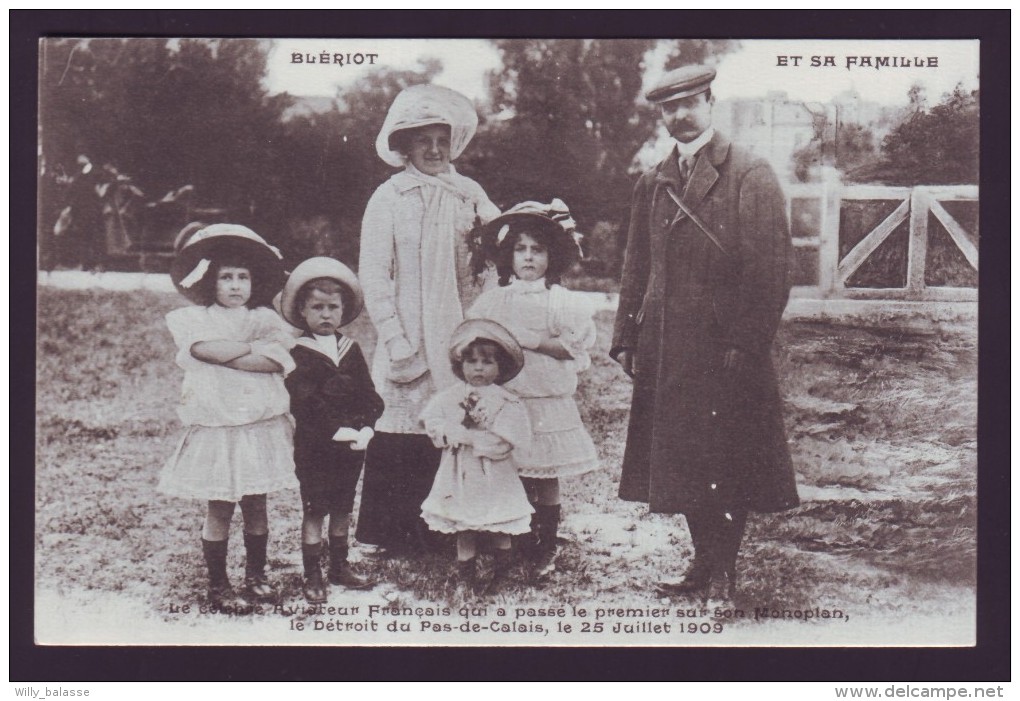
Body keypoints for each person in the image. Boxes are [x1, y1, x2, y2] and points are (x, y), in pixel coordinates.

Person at [611, 65, 799, 602]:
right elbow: (636, 264)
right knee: (684, 459)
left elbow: (771, 267)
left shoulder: (748, 171)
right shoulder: (655, 180)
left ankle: (723, 566)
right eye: (669, 108)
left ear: (710, 102)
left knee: (728, 458)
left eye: (690, 103)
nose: (680, 115)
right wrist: (627, 335)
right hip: (669, 349)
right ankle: (703, 562)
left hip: (726, 349)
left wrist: (746, 341)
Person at [356, 84, 501, 555]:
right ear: (405, 146)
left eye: (442, 139)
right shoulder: (390, 196)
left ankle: (450, 527)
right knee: (401, 425)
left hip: (458, 325)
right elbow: (375, 273)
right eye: (424, 140)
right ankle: (390, 533)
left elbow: (499, 245)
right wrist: (394, 335)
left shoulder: (469, 193)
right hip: (411, 327)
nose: (434, 149)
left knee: (457, 417)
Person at [159, 223, 297, 608]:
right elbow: (203, 350)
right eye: (226, 278)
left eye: (243, 277)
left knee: (257, 502)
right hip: (219, 427)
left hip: (258, 426)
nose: (235, 285)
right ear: (210, 281)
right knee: (220, 503)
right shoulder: (195, 320)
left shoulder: (267, 321)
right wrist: (249, 351)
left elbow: (275, 361)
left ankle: (256, 576)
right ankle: (218, 585)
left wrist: (241, 352)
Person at [467, 200, 599, 576]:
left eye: (537, 250)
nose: (528, 258)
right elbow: (476, 341)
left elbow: (572, 348)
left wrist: (533, 340)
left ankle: (547, 539)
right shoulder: (495, 300)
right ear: (508, 255)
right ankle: (515, 533)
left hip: (545, 399)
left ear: (551, 257)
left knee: (545, 470)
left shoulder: (561, 301)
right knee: (512, 466)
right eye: (520, 250)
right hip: (508, 400)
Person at [279, 257, 385, 604]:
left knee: (343, 505)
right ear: (303, 311)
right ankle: (313, 574)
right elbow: (304, 401)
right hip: (316, 445)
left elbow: (368, 393)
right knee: (316, 507)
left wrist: (368, 425)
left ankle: (340, 565)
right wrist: (335, 429)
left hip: (353, 444)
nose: (326, 314)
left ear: (344, 311)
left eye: (333, 307)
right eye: (317, 307)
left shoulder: (350, 349)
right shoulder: (298, 352)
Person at [419, 319, 533, 594]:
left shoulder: (507, 401)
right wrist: (449, 431)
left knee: (500, 522)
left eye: (487, 362)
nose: (478, 368)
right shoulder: (450, 397)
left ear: (500, 366)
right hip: (460, 471)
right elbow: (430, 419)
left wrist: (478, 437)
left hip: (494, 473)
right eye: (471, 362)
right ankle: (465, 577)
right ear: (461, 366)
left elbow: (509, 439)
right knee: (464, 524)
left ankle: (503, 573)